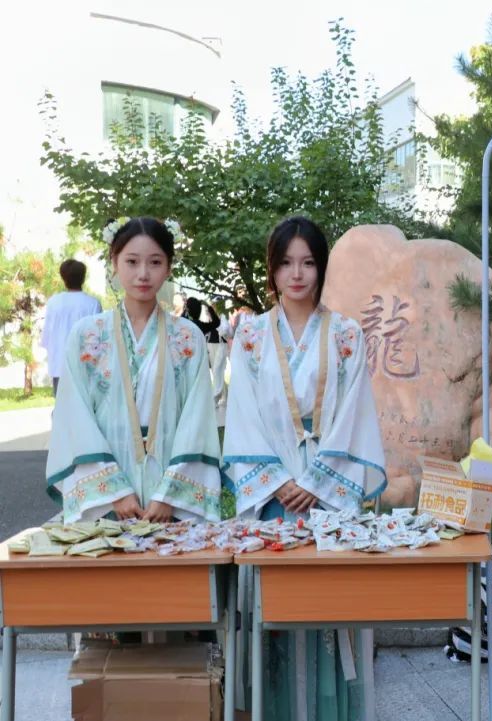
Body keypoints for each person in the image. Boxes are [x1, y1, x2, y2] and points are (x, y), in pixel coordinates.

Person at [223, 216, 386, 720]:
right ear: (272, 270)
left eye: (308, 263)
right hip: (272, 494)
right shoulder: (250, 336)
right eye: (286, 263)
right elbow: (243, 415)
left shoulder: (347, 333)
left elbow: (356, 414)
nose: (297, 274)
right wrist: (279, 483)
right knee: (274, 611)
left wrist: (316, 483)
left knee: (328, 609)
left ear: (322, 268)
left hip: (327, 495)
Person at [46, 217, 222, 523]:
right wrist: (115, 492)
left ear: (169, 267)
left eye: (155, 262)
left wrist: (169, 496)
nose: (143, 273)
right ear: (114, 262)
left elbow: (197, 418)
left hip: (171, 499)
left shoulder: (187, 336)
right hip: (106, 499)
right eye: (131, 261)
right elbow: (75, 416)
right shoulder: (87, 335)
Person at [40, 259, 102, 395]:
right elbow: (98, 338)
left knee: (62, 405)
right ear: (83, 278)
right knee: (85, 405)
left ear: (63, 278)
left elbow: (47, 337)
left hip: (60, 365)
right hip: (85, 367)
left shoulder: (54, 303)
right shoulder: (93, 304)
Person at [182, 297, 228, 413]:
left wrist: (185, 309)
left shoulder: (183, 323)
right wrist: (208, 306)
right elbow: (216, 323)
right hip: (198, 360)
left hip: (186, 359)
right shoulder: (199, 325)